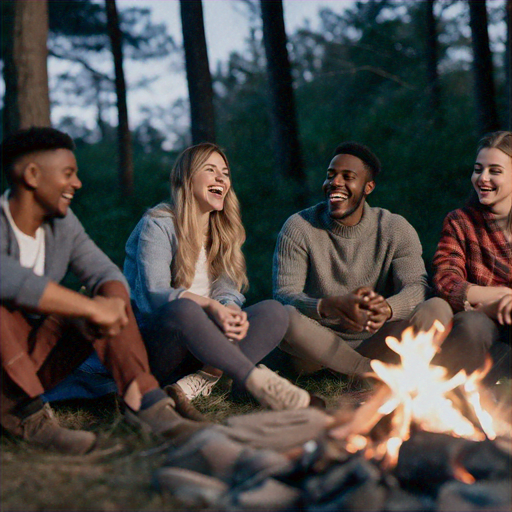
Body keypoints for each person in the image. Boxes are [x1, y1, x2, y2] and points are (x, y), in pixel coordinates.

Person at [0, 127, 207, 455]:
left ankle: (148, 406)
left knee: (107, 296)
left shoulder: (63, 224)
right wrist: (87, 309)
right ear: (32, 175)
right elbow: (12, 281)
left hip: (31, 359)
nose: (77, 184)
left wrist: (108, 303)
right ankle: (25, 414)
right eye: (68, 174)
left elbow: (104, 271)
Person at [124, 142, 313, 412]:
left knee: (274, 311)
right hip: (160, 346)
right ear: (187, 179)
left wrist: (230, 309)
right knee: (185, 309)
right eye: (210, 170)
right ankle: (252, 380)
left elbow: (226, 289)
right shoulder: (159, 223)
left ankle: (202, 380)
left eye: (225, 173)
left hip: (206, 348)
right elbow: (154, 295)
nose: (221, 178)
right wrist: (212, 307)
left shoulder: (221, 230)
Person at [272, 141, 429, 377]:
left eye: (348, 176)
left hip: (376, 342)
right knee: (283, 315)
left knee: (435, 307)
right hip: (317, 348)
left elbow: (417, 287)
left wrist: (386, 309)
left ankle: (369, 370)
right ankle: (365, 372)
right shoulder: (299, 227)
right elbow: (284, 295)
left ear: (368, 187)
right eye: (331, 175)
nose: (335, 182)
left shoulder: (395, 228)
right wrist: (327, 306)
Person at [424, 130, 511, 382]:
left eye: (495, 171)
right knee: (471, 326)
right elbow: (445, 281)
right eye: (478, 169)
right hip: (479, 325)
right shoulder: (460, 222)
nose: (482, 178)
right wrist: (500, 298)